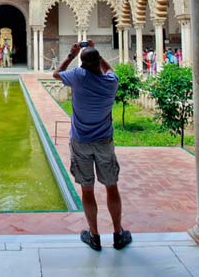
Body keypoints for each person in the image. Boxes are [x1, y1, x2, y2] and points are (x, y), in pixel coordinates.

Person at [53, 40, 132, 251]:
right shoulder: (111, 82)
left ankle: (94, 236)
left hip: (81, 142)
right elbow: (109, 70)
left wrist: (72, 54)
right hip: (104, 141)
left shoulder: (78, 77)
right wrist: (97, 56)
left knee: (87, 190)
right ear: (98, 61)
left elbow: (56, 74)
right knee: (111, 186)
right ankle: (117, 233)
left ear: (82, 64)